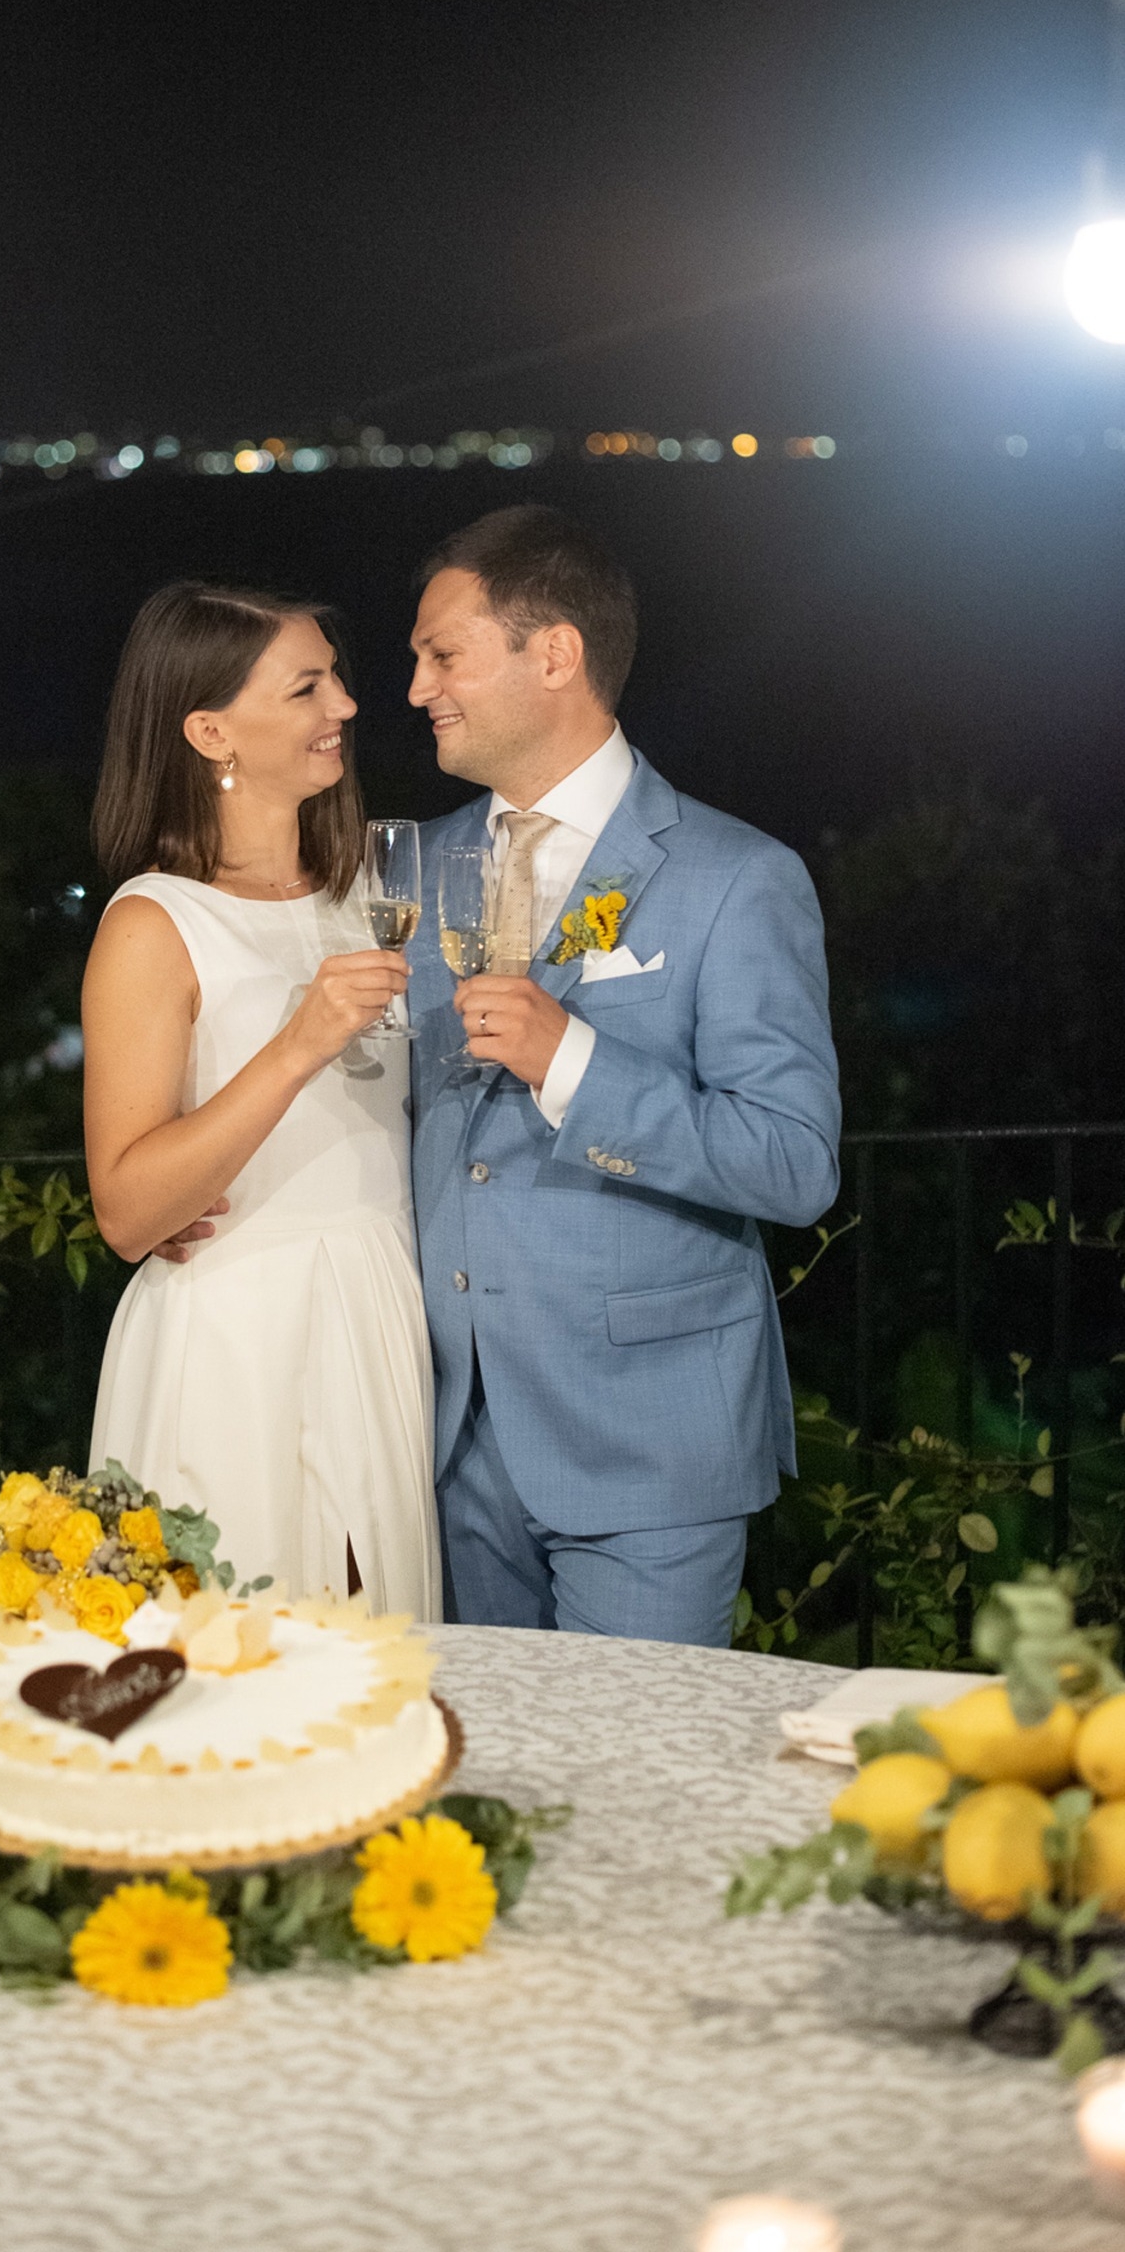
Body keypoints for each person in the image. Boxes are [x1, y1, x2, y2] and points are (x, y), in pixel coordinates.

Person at [404, 504, 841, 1647]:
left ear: (551, 653)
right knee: (481, 1792)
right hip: (445, 1441)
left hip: (648, 1448)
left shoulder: (735, 877)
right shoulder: (411, 866)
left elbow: (793, 1164)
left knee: (636, 1799)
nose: (414, 688)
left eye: (440, 654)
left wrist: (572, 1062)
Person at [83, 580, 442, 1618]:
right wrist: (296, 1044)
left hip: (375, 1309)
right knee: (235, 1670)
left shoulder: (370, 898)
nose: (343, 707)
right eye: (305, 687)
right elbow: (126, 1208)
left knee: (379, 1668)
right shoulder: (154, 923)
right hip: (236, 1340)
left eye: (333, 679)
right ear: (208, 730)